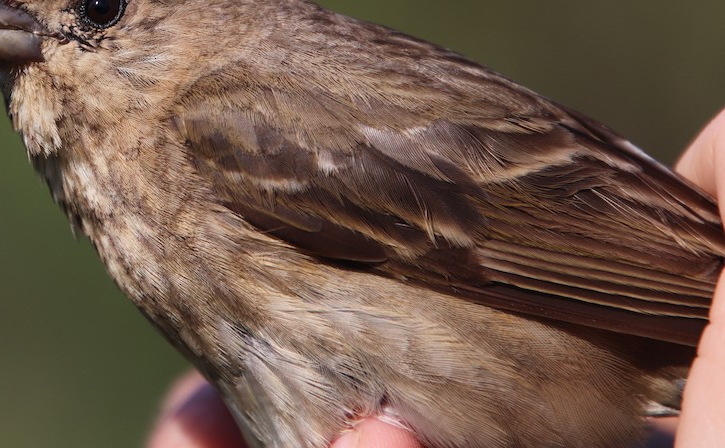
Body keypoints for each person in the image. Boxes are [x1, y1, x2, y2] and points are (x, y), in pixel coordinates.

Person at [147, 109, 725, 448]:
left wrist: (704, 290)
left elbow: (495, 242)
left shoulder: (225, 125)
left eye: (100, 10)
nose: (50, 45)